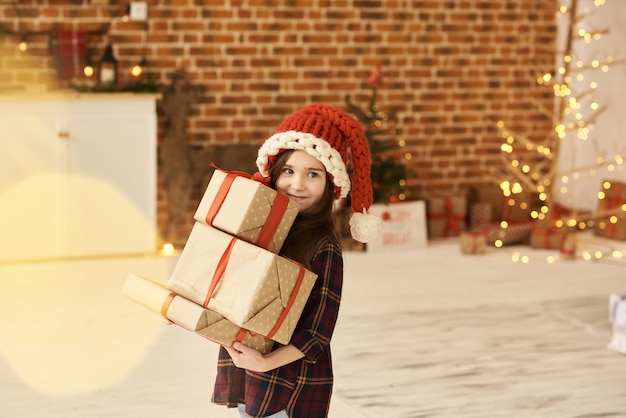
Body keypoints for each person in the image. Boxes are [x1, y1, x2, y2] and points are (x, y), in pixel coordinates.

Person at [211, 104, 382, 418]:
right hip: (248, 368)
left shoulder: (323, 247)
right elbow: (227, 286)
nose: (297, 184)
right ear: (274, 172)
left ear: (330, 185)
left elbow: (318, 332)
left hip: (288, 381)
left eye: (312, 174)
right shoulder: (258, 228)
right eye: (288, 170)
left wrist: (265, 363)